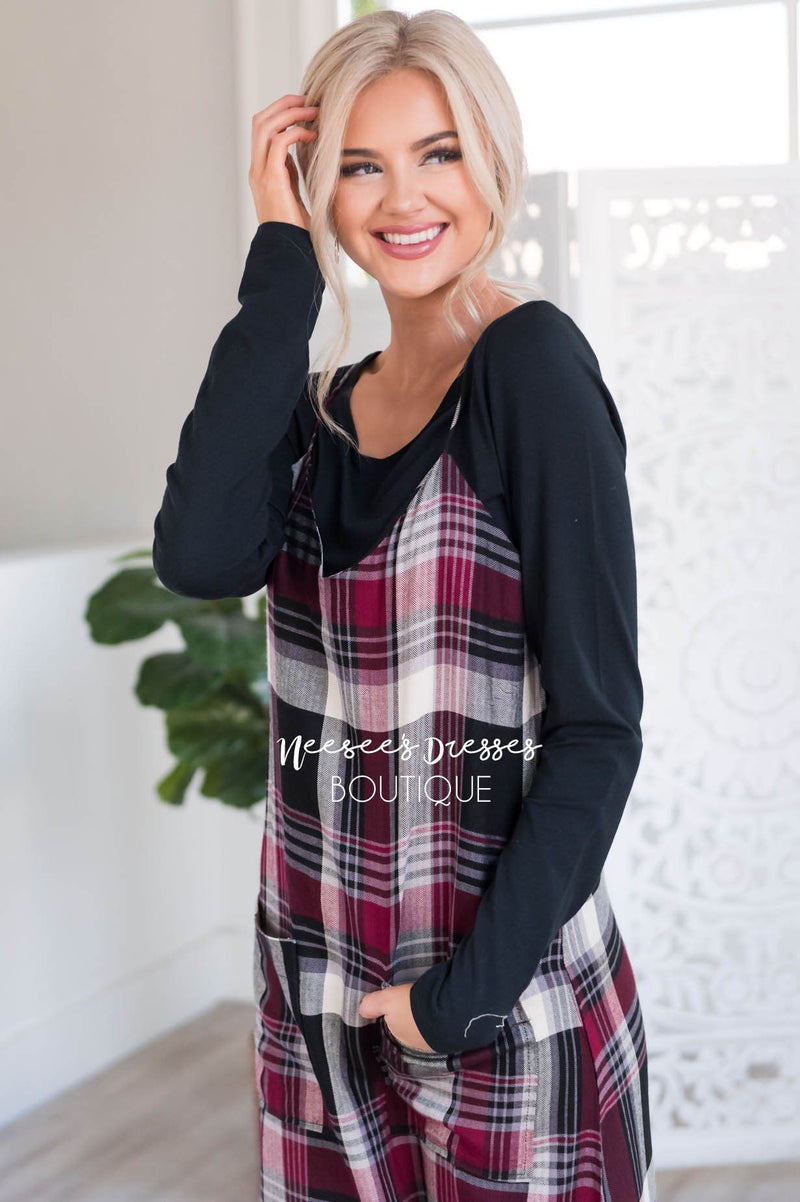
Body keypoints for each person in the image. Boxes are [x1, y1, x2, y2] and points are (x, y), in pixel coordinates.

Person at [152, 9, 656, 1201]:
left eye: (437, 153)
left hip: (499, 1006)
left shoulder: (530, 369)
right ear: (316, 188)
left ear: (493, 161)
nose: (402, 198)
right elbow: (199, 554)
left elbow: (598, 727)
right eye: (358, 166)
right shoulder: (317, 405)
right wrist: (281, 261)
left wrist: (455, 1002)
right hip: (317, 1002)